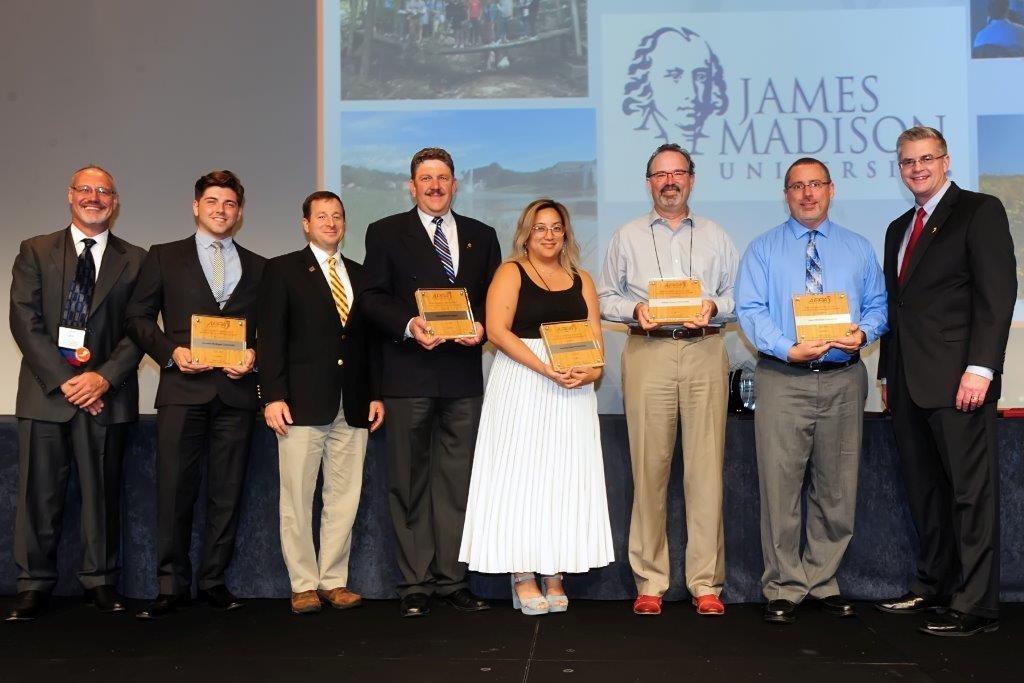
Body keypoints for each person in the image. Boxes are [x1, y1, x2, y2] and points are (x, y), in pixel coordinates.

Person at [875, 126, 1016, 637]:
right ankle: (935, 585)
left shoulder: (980, 211)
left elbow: (997, 296)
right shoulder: (898, 228)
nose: (917, 168)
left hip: (961, 381)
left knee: (969, 495)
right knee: (926, 493)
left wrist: (981, 368)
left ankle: (976, 604)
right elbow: (899, 308)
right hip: (910, 382)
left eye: (927, 159)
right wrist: (887, 371)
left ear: (946, 161)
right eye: (908, 161)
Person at [735, 157, 887, 625]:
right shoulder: (763, 250)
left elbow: (879, 306)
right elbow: (751, 309)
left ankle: (822, 581)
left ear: (831, 189)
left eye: (815, 184)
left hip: (843, 378)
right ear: (786, 195)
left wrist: (861, 335)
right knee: (780, 489)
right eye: (797, 186)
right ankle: (783, 585)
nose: (807, 194)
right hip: (783, 379)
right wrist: (786, 347)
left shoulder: (858, 249)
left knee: (836, 488)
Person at [598, 143, 738, 617]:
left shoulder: (717, 235)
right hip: (649, 352)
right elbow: (604, 297)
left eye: (678, 173)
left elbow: (738, 293)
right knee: (649, 469)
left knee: (705, 470)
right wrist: (633, 309)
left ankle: (706, 584)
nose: (670, 181)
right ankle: (650, 581)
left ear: (691, 180)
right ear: (649, 182)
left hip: (704, 352)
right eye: (660, 174)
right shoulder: (627, 235)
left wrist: (714, 306)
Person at [360, 147, 501, 618]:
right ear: (412, 185)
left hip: (461, 378)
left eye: (443, 177)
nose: (435, 185)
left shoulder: (483, 236)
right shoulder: (384, 233)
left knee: (457, 485)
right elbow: (372, 298)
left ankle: (453, 580)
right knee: (408, 482)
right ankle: (415, 582)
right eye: (426, 178)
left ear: (455, 184)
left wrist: (482, 324)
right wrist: (409, 324)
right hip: (407, 375)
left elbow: (491, 300)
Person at [459, 199, 614, 615]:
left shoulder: (581, 278)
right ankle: (523, 573)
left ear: (566, 233)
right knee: (520, 478)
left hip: (573, 388)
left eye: (556, 227)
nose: (549, 234)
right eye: (540, 227)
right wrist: (546, 368)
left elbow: (595, 336)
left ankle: (554, 571)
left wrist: (592, 370)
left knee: (563, 477)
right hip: (524, 382)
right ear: (526, 233)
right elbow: (496, 330)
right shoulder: (511, 272)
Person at [6, 166, 146, 622]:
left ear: (115, 201)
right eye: (85, 189)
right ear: (70, 196)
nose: (94, 197)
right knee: (37, 495)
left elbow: (140, 330)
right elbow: (24, 320)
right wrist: (67, 380)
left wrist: (102, 378)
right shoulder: (36, 249)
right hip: (47, 393)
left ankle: (101, 580)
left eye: (103, 191)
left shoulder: (138, 260)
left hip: (106, 394)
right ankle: (33, 585)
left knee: (102, 493)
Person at [126, 170, 265, 619]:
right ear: (195, 206)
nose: (220, 210)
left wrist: (254, 356)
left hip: (236, 394)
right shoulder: (163, 257)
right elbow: (138, 317)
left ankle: (213, 581)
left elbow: (271, 331)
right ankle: (170, 585)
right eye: (212, 202)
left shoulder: (260, 266)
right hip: (183, 390)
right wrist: (171, 352)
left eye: (229, 204)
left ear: (239, 212)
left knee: (227, 493)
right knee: (174, 491)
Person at [259, 191, 384, 615]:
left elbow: (370, 344)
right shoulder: (282, 270)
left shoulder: (362, 274)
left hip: (353, 404)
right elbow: (270, 338)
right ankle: (303, 584)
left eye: (337, 216)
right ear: (306, 223)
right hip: (300, 404)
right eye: (322, 216)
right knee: (296, 497)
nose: (331, 222)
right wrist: (273, 395)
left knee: (344, 497)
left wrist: (376, 393)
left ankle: (333, 580)